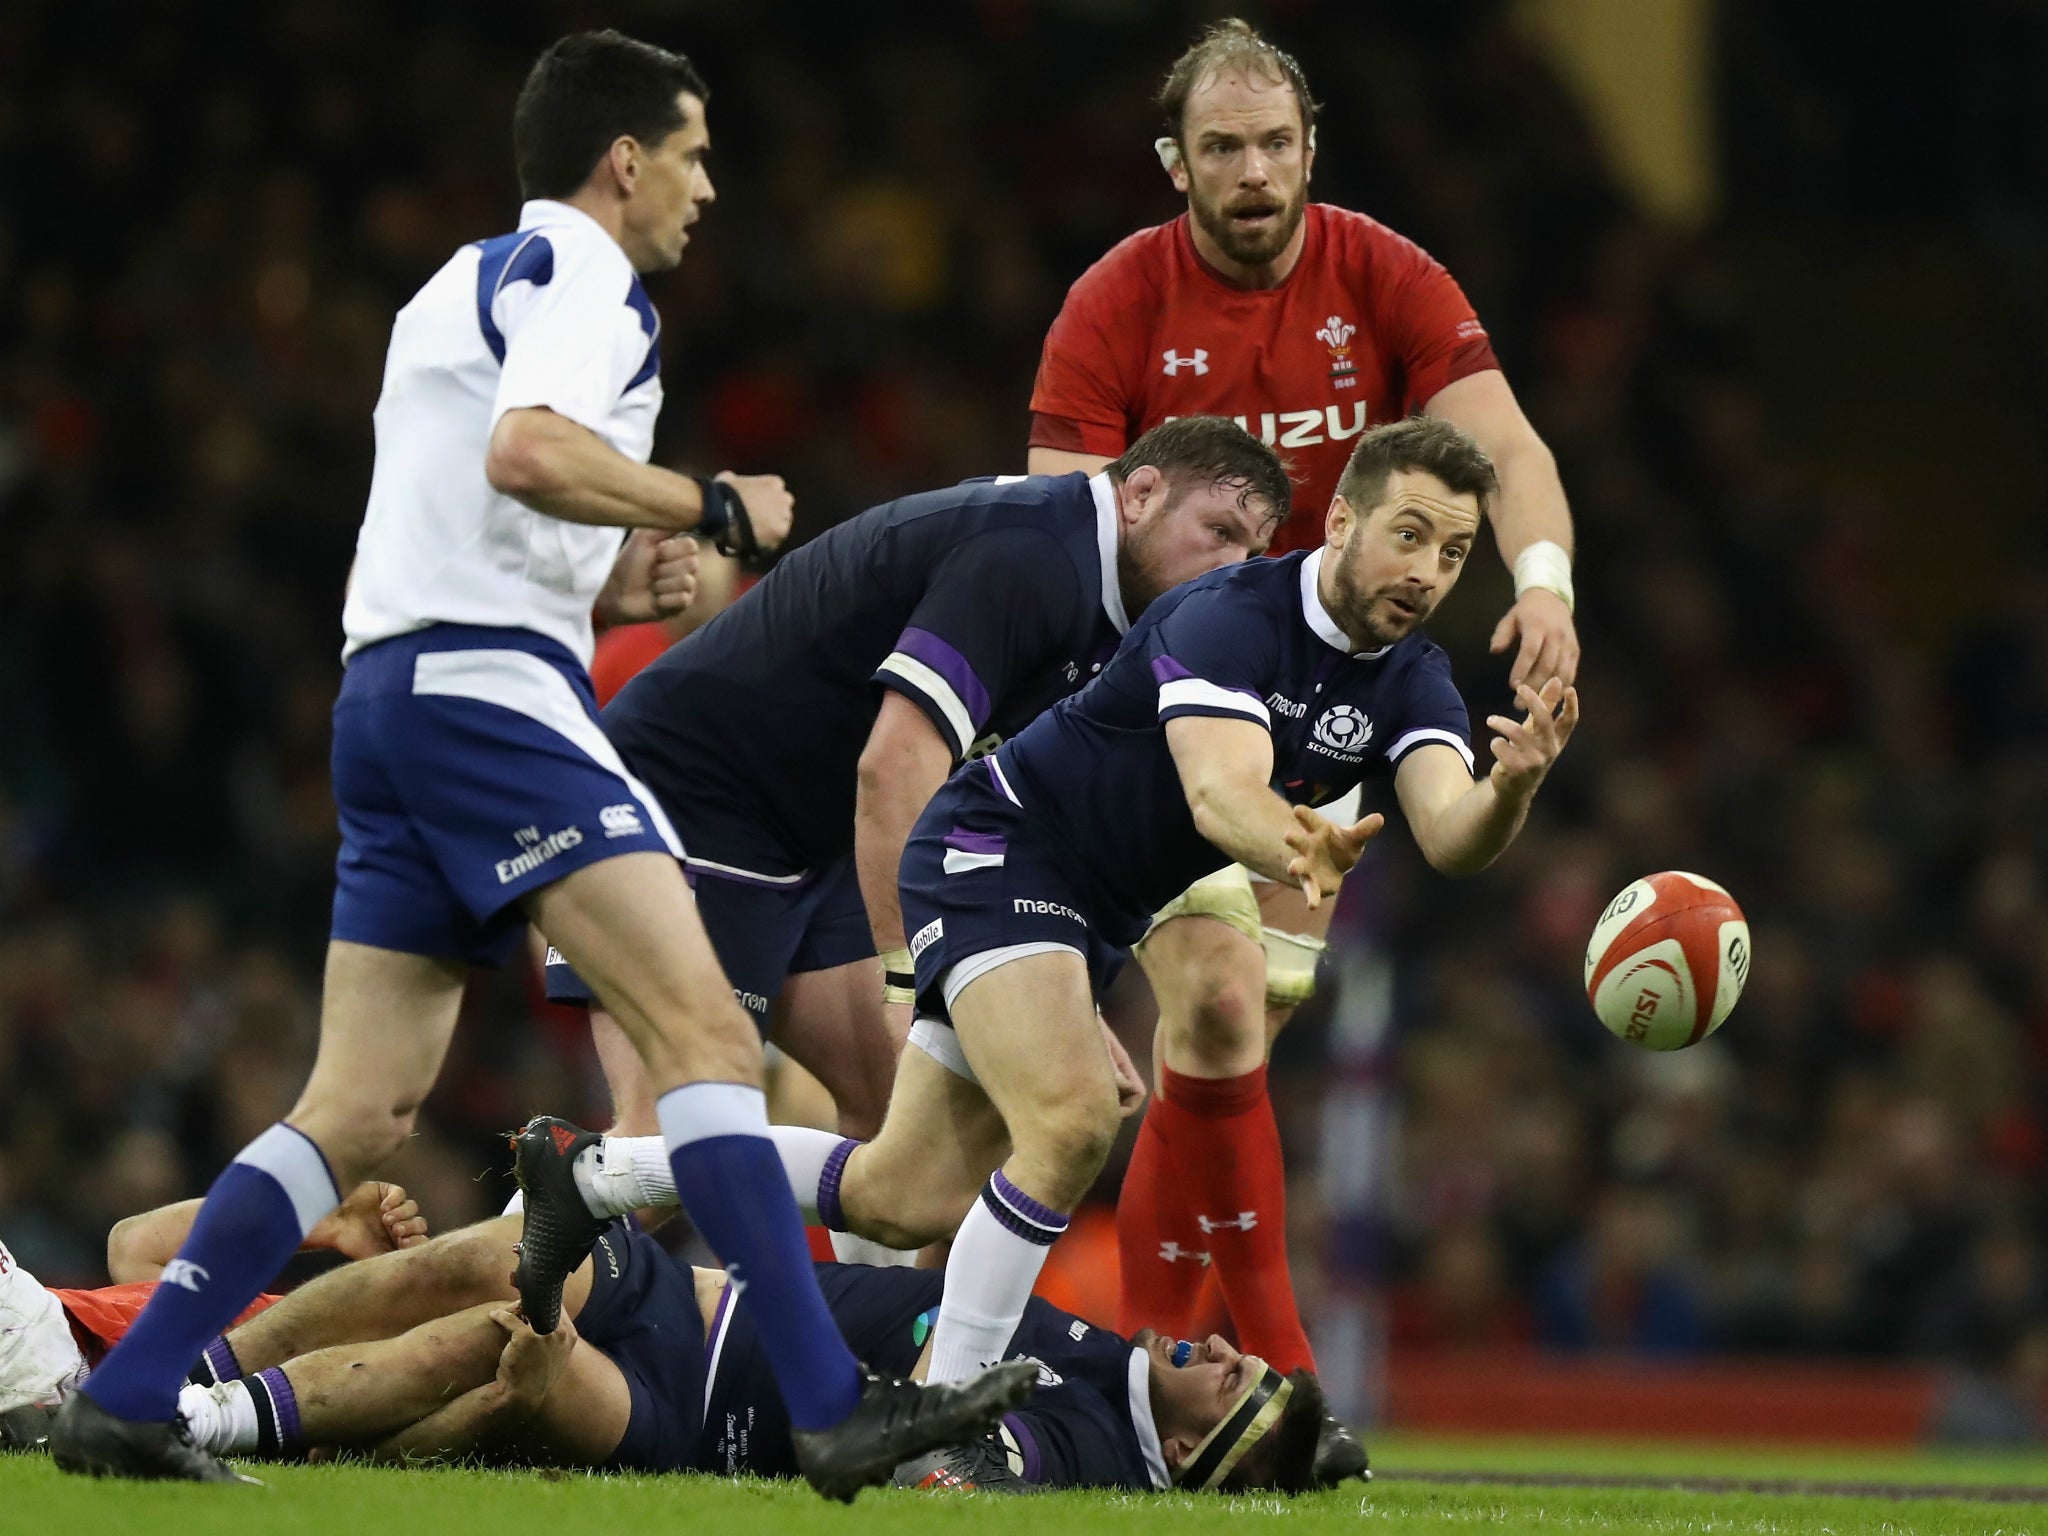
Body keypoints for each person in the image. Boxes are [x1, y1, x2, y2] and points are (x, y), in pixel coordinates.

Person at [50, 30, 1031, 1497]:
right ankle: (833, 1409)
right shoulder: (589, 279)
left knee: (359, 1103)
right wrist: (706, 506)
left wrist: (608, 587)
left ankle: (127, 1397)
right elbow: (526, 453)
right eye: (693, 155)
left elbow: (487, 504)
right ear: (624, 160)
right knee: (706, 1037)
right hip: (489, 704)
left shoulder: (453, 283)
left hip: (387, 693)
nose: (707, 187)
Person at [1024, 17, 1582, 1380]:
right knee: (1211, 1004)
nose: (1256, 171)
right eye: (1224, 148)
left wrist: (1547, 584)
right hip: (1162, 703)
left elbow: (1502, 442)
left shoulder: (1382, 273)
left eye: (1277, 143)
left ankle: (1149, 1381)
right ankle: (1279, 1368)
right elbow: (1050, 532)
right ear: (1177, 164)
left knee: (1223, 1045)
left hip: (1323, 711)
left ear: (1311, 147)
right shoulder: (1115, 302)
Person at [517, 417, 1289, 1274]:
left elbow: (1020, 817)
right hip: (685, 807)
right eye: (1217, 532)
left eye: (1250, 553)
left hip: (816, 839)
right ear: (1140, 495)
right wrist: (909, 971)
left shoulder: (1119, 605)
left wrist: (1063, 1004)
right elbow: (895, 770)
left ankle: (893, 1381)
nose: (1230, 569)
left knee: (921, 1144)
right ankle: (460, 1318)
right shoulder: (1034, 553)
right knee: (663, 1153)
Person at [148, 1211, 1329, 1493]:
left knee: (507, 1341)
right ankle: (195, 1378)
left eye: (1233, 1383)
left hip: (686, 1415)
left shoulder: (1082, 1445)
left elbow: (953, 1475)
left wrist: (954, 1447)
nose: (1224, 1347)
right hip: (693, 1293)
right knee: (488, 1258)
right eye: (1246, 1358)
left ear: (1185, 1447)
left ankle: (204, 1419)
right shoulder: (1116, 1363)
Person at [0, 1183, 426, 1448]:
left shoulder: (374, 1371)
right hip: (56, 1340)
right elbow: (133, 1243)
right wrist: (334, 1221)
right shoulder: (267, 1311)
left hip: (56, 1362)